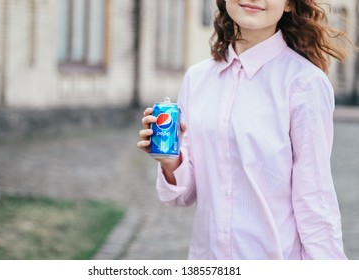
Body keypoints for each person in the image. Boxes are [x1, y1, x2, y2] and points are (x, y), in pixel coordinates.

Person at [137, 0, 354, 259]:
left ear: (288, 4)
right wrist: (172, 163)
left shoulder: (304, 84)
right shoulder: (197, 79)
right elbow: (183, 195)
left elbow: (315, 200)